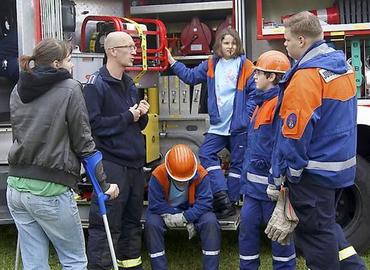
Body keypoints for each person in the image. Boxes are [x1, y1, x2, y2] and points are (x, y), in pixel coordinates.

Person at [6, 38, 119, 270]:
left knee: (34, 263)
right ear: (57, 64)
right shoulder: (70, 88)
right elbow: (84, 143)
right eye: (69, 60)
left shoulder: (19, 87)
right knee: (74, 260)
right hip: (50, 189)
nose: (72, 65)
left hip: (16, 187)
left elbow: (18, 132)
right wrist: (104, 185)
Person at [271, 11, 367, 270]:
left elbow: (295, 135)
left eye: (287, 40)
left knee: (316, 237)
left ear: (301, 40)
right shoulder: (342, 66)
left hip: (312, 175)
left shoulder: (306, 77)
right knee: (326, 227)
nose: (285, 44)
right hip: (337, 171)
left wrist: (286, 175)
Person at [167, 28, 256, 219]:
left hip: (238, 126)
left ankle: (229, 205)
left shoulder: (246, 65)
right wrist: (172, 62)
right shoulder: (211, 63)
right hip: (218, 125)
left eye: (233, 43)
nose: (230, 47)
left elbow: (255, 94)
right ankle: (222, 197)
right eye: (226, 43)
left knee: (237, 166)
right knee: (206, 154)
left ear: (237, 45)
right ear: (219, 45)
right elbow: (190, 77)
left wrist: (245, 117)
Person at [84, 31, 149, 270]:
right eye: (129, 47)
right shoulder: (95, 85)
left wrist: (140, 115)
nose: (134, 51)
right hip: (111, 165)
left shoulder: (129, 83)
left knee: (133, 223)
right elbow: (93, 126)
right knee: (106, 225)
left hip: (134, 166)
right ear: (112, 51)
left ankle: (130, 265)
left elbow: (133, 124)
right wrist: (127, 116)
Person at [238, 50, 296, 270]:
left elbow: (281, 149)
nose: (254, 77)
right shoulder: (261, 103)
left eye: (258, 73)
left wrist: (277, 182)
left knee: (280, 241)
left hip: (272, 193)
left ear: (271, 77)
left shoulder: (278, 106)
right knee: (247, 238)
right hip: (253, 192)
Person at [144, 144, 221, 270]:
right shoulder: (158, 174)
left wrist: (186, 217)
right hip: (166, 212)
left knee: (210, 221)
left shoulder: (201, 174)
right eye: (178, 179)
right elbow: (156, 204)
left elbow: (205, 203)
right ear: (169, 170)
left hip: (193, 211)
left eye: (185, 179)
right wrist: (174, 215)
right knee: (152, 224)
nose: (181, 182)